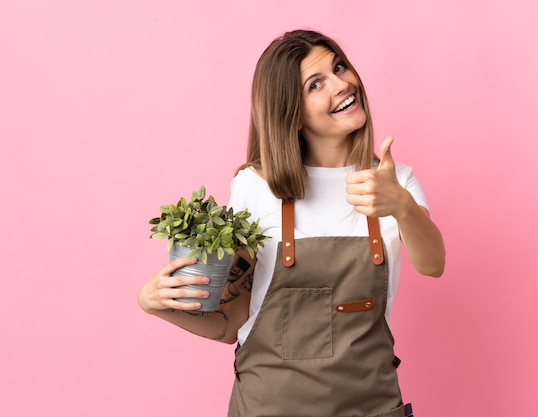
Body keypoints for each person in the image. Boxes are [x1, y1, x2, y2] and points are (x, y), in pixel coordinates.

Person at [138, 29, 445, 417]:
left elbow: (433, 264)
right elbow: (232, 322)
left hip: (372, 406)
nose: (342, 84)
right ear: (293, 113)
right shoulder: (255, 186)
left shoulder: (394, 179)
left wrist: (401, 205)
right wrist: (156, 304)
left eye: (339, 67)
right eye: (317, 84)